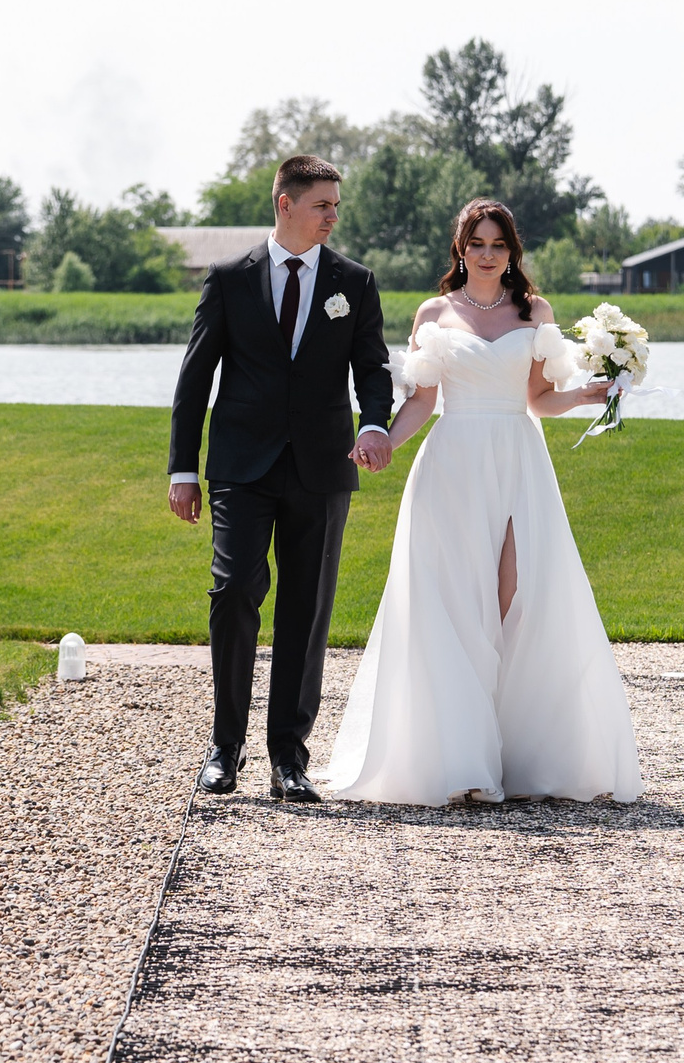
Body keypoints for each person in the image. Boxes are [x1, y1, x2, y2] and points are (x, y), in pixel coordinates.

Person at [321, 198, 641, 806]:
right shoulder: (436, 312)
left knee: (515, 594)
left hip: (518, 459)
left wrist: (588, 394)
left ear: (512, 251)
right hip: (453, 462)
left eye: (499, 245)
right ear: (460, 249)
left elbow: (538, 400)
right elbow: (420, 399)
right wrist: (383, 439)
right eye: (477, 244)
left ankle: (519, 751)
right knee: (459, 601)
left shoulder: (534, 311)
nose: (488, 255)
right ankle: (463, 758)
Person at [168, 154, 395, 802]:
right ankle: (224, 747)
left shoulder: (354, 280)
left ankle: (288, 760)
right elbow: (194, 382)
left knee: (307, 610)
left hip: (323, 468)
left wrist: (374, 424)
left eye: (335, 207)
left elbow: (372, 367)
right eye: (322, 204)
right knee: (234, 589)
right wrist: (184, 470)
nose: (332, 216)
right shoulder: (228, 280)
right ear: (285, 204)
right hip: (242, 468)